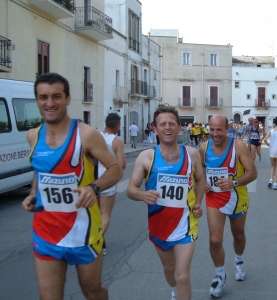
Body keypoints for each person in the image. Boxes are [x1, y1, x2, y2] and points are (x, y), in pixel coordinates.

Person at [21, 73, 123, 300]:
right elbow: (41, 171)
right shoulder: (32, 136)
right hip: (46, 233)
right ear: (37, 100)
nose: (49, 103)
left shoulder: (86, 135)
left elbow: (116, 169)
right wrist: (33, 194)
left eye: (56, 96)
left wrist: (94, 187)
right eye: (43, 97)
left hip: (83, 233)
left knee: (93, 293)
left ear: (68, 99)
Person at [126, 106, 205, 300]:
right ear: (155, 128)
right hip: (159, 226)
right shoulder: (147, 157)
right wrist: (143, 195)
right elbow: (131, 189)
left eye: (172, 123)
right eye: (163, 124)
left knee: (182, 276)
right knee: (170, 270)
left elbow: (201, 180)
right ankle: (174, 291)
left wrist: (198, 203)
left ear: (179, 128)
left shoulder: (191, 154)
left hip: (186, 225)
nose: (167, 127)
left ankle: (179, 290)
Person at [199, 114, 257, 298]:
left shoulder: (238, 146)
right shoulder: (203, 147)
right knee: (215, 240)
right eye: (212, 129)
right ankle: (220, 275)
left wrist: (234, 183)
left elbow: (252, 173)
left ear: (227, 129)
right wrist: (203, 182)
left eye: (219, 129)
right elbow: (200, 170)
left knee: (238, 234)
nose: (215, 133)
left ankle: (238, 261)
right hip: (214, 198)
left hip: (236, 197)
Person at [98, 113, 127, 255]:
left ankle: (98, 242)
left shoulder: (95, 137)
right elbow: (121, 164)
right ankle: (95, 242)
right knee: (105, 214)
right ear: (116, 126)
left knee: (94, 214)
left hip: (92, 180)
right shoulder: (116, 141)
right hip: (108, 180)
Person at [263, 117, 277, 190]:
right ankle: (275, 183)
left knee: (273, 166)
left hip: (272, 151)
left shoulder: (270, 131)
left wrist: (269, 145)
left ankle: (270, 180)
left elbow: (265, 140)